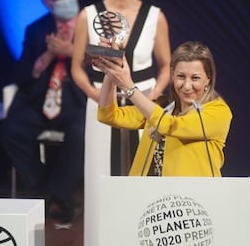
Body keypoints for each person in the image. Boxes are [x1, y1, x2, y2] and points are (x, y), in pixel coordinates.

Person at [71, 0, 171, 245]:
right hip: (103, 101)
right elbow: (77, 66)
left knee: (145, 176)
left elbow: (166, 65)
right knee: (103, 174)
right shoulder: (88, 15)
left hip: (144, 103)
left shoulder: (155, 16)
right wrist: (96, 94)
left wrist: (153, 95)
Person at [0, 0, 86, 224]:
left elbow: (105, 62)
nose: (66, 0)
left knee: (81, 133)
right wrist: (45, 57)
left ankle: (50, 195)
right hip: (40, 99)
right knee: (9, 131)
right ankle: (49, 189)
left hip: (76, 99)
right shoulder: (36, 29)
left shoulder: (92, 24)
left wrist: (71, 51)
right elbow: (21, 73)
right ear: (46, 1)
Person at [95, 41, 232, 176]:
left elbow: (171, 125)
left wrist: (129, 87)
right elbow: (109, 115)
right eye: (181, 76)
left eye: (195, 78)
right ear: (172, 75)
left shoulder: (218, 111)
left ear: (208, 78)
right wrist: (112, 69)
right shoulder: (163, 107)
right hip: (149, 195)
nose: (187, 85)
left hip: (192, 197)